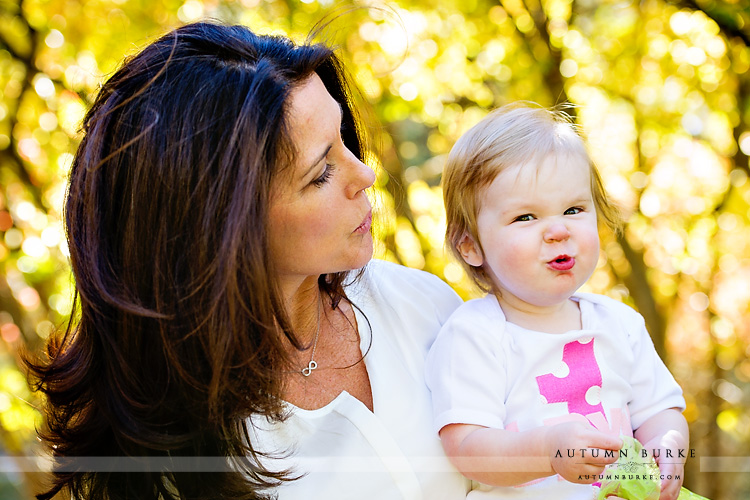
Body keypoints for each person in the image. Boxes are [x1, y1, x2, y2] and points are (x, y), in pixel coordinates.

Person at [27, 22, 470, 500]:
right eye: (320, 173)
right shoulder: (174, 462)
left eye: (343, 137)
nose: (364, 173)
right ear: (223, 230)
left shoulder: (424, 307)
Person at [425, 103, 689, 500]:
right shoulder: (474, 335)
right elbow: (466, 446)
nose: (559, 230)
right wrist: (548, 451)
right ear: (470, 245)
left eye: (573, 209)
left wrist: (667, 449)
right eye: (526, 217)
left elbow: (660, 410)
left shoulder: (620, 323)